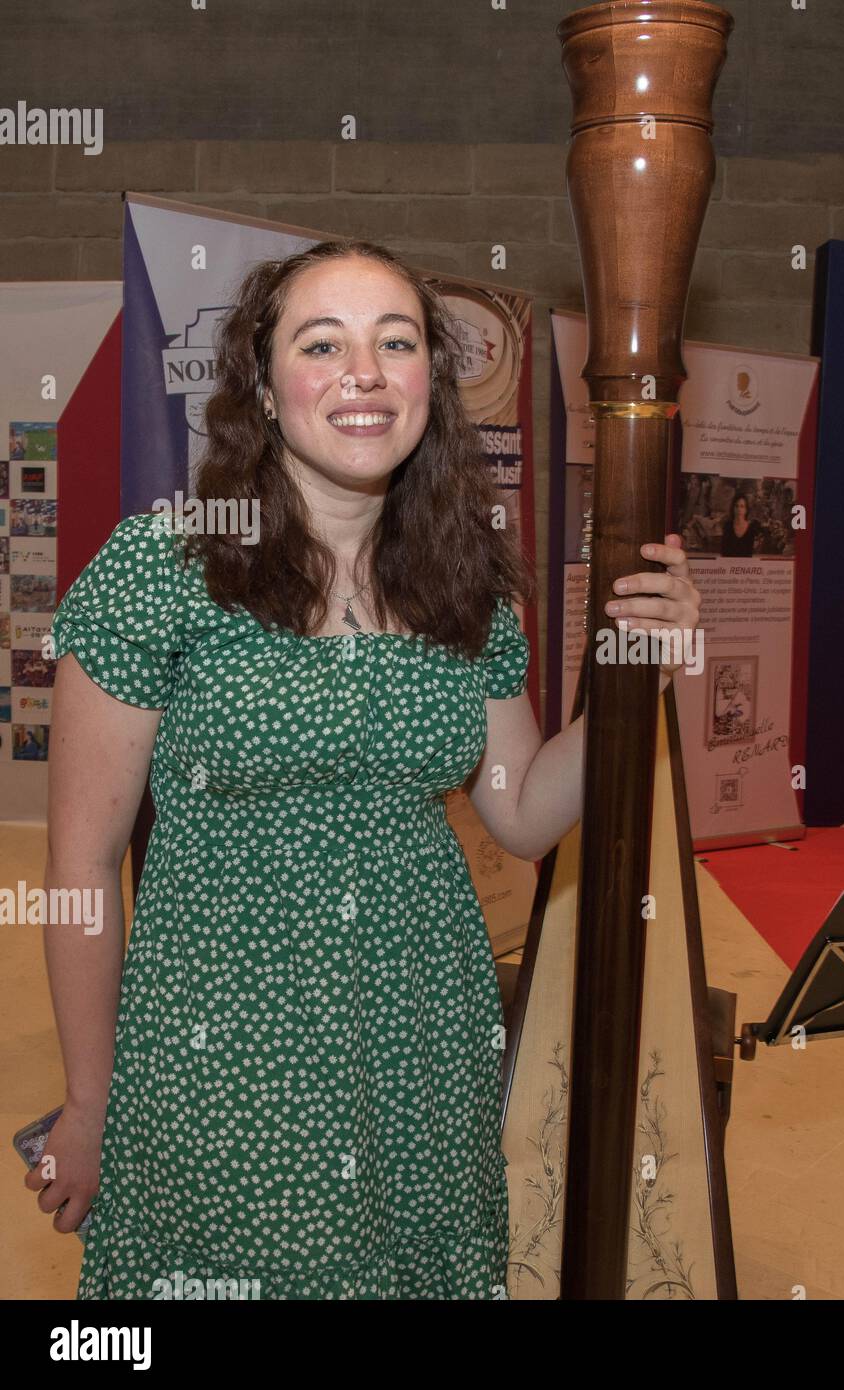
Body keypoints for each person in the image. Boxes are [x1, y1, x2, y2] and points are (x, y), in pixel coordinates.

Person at [28, 238, 700, 1300]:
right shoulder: (165, 567)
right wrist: (89, 1098)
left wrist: (637, 678)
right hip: (224, 1047)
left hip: (419, 1038)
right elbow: (79, 866)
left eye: (395, 342)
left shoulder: (462, 581)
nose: (365, 373)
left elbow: (523, 813)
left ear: (432, 377)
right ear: (260, 380)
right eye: (322, 342)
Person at [719, 491, 762, 557]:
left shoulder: (752, 528)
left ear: (746, 509)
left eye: (742, 506)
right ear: (733, 508)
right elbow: (723, 552)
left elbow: (755, 551)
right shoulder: (727, 526)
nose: (739, 509)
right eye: (736, 506)